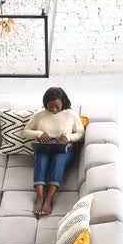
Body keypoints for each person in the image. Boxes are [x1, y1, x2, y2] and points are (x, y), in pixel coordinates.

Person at [23, 87, 85, 217]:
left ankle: (49, 199)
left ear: (63, 102)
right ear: (46, 103)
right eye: (50, 106)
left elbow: (81, 134)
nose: (54, 110)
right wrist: (38, 133)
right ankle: (39, 198)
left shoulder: (71, 114)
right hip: (44, 148)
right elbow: (25, 132)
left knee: (58, 160)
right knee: (40, 159)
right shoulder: (39, 114)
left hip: (64, 149)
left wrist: (68, 137)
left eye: (57, 106)